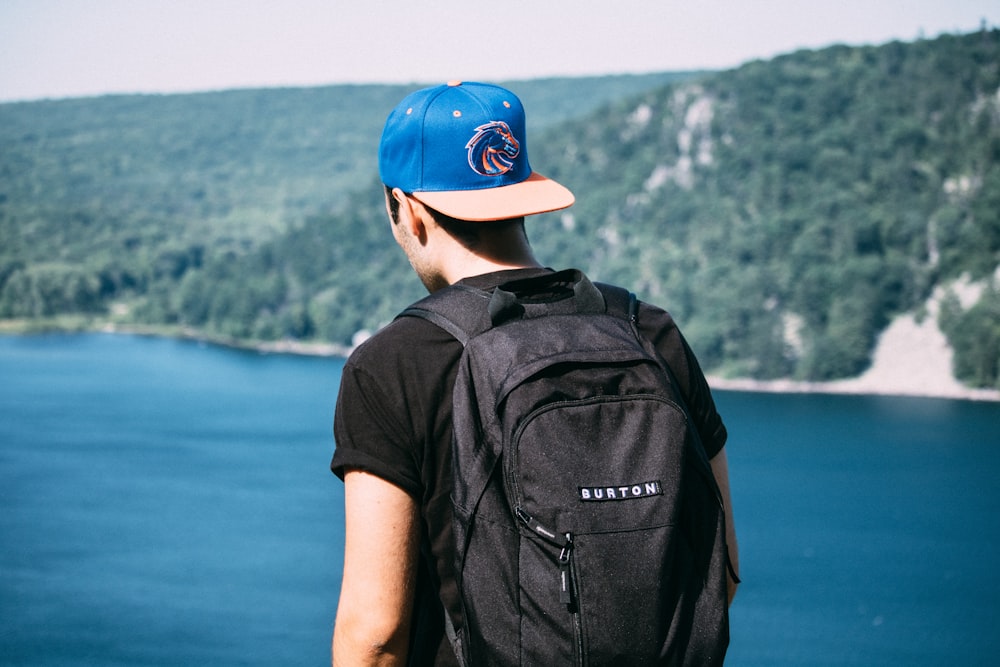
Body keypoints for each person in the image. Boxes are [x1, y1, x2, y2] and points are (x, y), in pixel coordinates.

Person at [330, 81, 739, 666]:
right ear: (522, 194)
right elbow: (719, 574)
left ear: (409, 212)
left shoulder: (392, 365)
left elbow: (374, 637)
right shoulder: (652, 333)